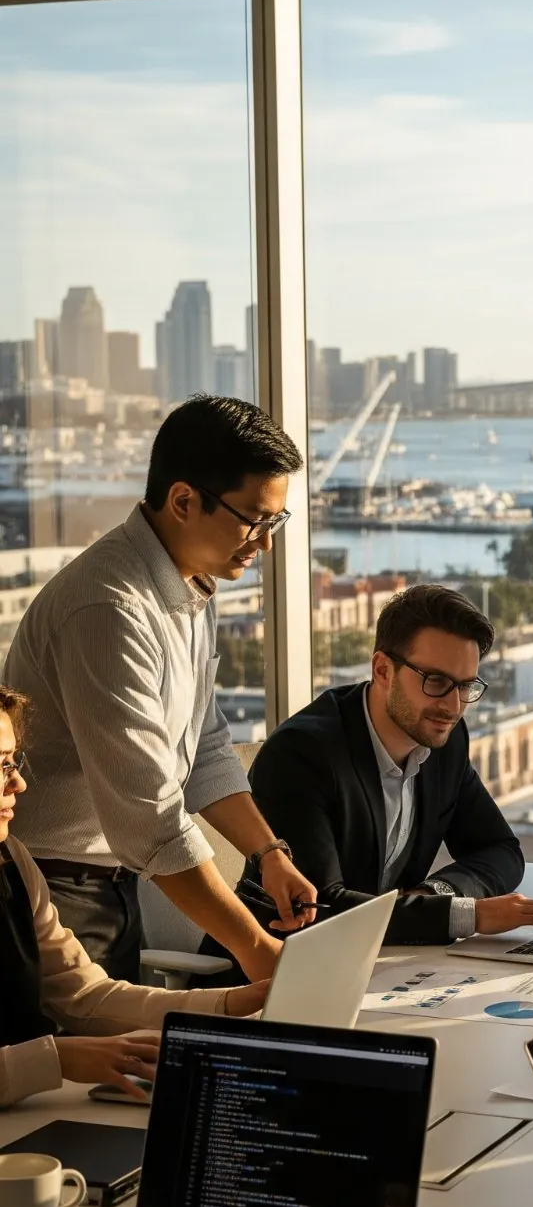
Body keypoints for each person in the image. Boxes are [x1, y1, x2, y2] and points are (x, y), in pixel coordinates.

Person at [2, 395, 318, 984]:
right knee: (85, 1073)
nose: (266, 543)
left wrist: (268, 854)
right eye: (255, 519)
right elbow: (150, 816)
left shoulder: (190, 586)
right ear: (183, 500)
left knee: (124, 1068)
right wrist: (255, 950)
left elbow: (203, 745)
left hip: (112, 887)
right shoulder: (109, 607)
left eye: (276, 521)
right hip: (54, 887)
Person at [237, 584, 533, 946]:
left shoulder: (445, 742)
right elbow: (318, 908)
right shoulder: (302, 754)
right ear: (383, 670)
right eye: (436, 681)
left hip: (388, 966)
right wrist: (469, 915)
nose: (453, 706)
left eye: (465, 686)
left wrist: (434, 892)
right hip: (274, 974)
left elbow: (500, 850)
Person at [0, 688, 268, 1110]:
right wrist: (57, 1058)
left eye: (13, 762)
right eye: (1, 767)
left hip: (27, 1115)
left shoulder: (12, 859)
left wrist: (232, 1002)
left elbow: (86, 998)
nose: (19, 782)